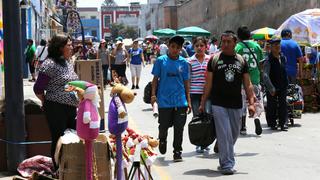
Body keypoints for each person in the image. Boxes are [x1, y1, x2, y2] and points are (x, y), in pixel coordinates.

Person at [199, 31, 255, 175]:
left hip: (236, 103)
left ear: (235, 43)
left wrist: (251, 103)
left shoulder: (241, 61)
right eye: (223, 42)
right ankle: (227, 164)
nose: (225, 44)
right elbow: (208, 83)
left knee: (234, 134)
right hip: (218, 103)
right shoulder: (214, 59)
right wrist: (203, 102)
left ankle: (224, 151)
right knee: (224, 134)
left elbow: (248, 84)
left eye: (228, 42)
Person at [33, 34, 79, 169]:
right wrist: (44, 101)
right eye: (69, 45)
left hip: (71, 107)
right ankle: (58, 169)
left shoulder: (68, 62)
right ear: (60, 48)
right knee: (59, 139)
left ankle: (71, 168)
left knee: (73, 137)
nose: (71, 47)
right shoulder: (49, 64)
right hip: (55, 108)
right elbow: (38, 88)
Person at [151, 35, 191, 162]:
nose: (175, 50)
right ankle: (162, 139)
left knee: (179, 128)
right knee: (163, 126)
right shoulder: (160, 61)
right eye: (173, 47)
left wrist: (188, 101)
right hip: (164, 101)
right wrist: (153, 95)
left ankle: (177, 151)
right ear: (168, 46)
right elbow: (155, 80)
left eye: (177, 48)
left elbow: (186, 82)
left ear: (181, 49)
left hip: (180, 101)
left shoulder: (184, 63)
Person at [235, 26, 263, 136]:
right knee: (254, 100)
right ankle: (256, 119)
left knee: (242, 103)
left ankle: (243, 126)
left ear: (239, 36)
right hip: (255, 79)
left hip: (242, 80)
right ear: (249, 35)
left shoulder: (238, 47)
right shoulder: (256, 46)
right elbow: (261, 62)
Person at [188, 36, 212, 153]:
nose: (199, 48)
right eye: (197, 46)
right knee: (197, 117)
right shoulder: (190, 61)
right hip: (194, 93)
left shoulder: (210, 59)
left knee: (207, 116)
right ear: (193, 47)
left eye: (201, 45)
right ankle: (198, 142)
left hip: (207, 94)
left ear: (206, 46)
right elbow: (188, 79)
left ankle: (206, 142)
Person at [263, 37, 288, 131]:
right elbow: (265, 75)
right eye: (275, 45)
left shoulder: (283, 57)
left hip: (282, 85)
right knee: (271, 105)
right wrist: (271, 88)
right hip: (272, 86)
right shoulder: (268, 60)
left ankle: (283, 123)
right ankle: (272, 123)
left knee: (283, 104)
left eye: (279, 44)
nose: (278, 46)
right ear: (271, 47)